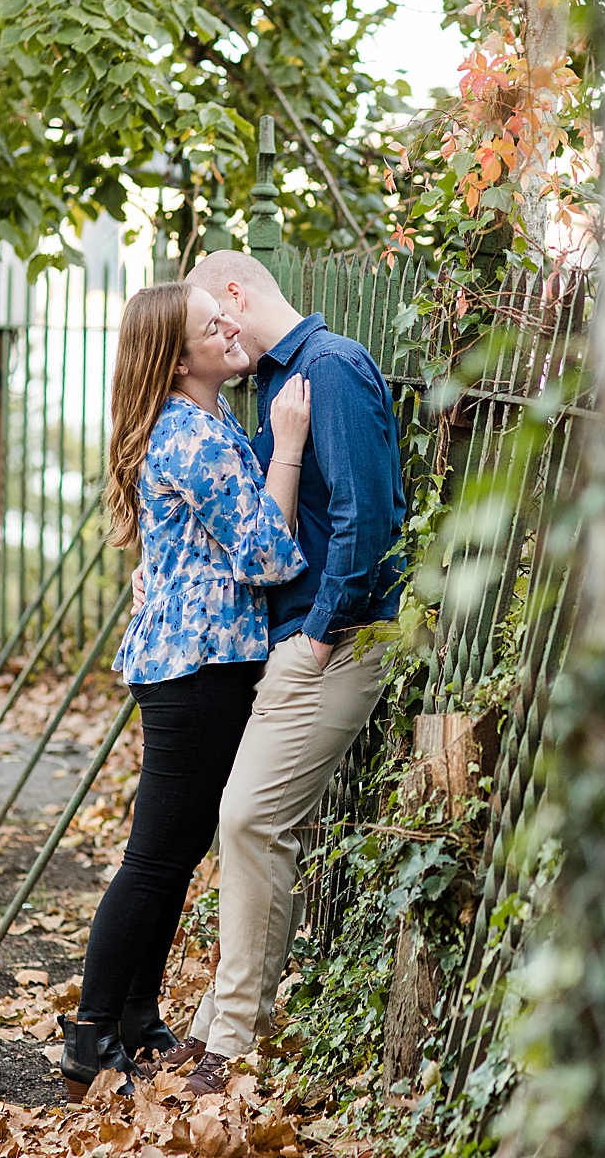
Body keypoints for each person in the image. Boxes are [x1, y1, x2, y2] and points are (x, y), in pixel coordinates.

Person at [129, 250, 406, 1094]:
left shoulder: (333, 369)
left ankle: (232, 1040)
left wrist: (318, 638)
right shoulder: (272, 390)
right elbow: (242, 522)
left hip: (338, 640)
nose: (214, 329)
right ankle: (222, 1025)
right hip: (289, 641)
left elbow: (373, 515)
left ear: (237, 294)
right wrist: (154, 564)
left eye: (215, 311)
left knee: (248, 819)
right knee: (249, 825)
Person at [58, 281, 313, 1102]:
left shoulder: (197, 424)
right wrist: (290, 448)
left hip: (191, 664)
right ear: (178, 359)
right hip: (197, 671)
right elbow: (268, 557)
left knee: (171, 857)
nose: (232, 326)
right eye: (214, 324)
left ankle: (134, 1017)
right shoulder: (195, 437)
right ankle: (92, 1034)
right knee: (155, 859)